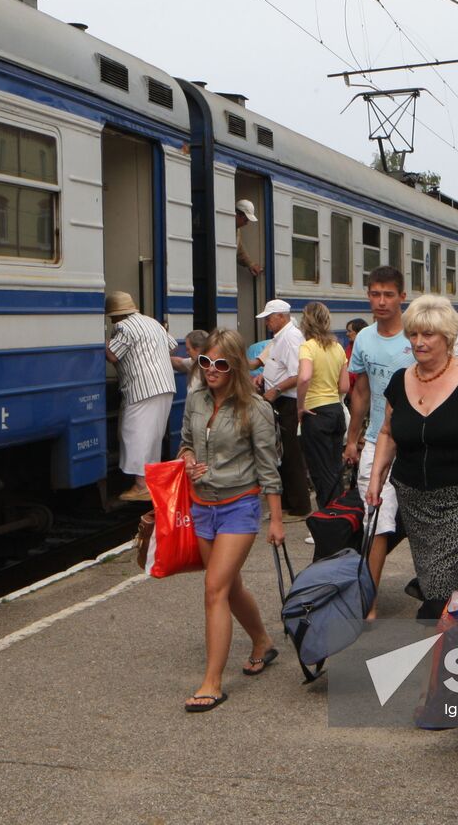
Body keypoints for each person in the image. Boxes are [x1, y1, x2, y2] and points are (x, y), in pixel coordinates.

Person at [365, 295, 458, 620]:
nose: (419, 342)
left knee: (438, 594)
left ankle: (440, 646)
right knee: (446, 586)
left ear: (447, 336)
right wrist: (376, 477)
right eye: (414, 334)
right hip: (414, 501)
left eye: (428, 335)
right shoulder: (399, 380)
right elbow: (388, 433)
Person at [178, 329, 285, 712]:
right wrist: (189, 459)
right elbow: (186, 441)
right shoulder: (195, 401)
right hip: (201, 504)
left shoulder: (254, 409)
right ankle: (262, 642)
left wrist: (275, 519)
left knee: (214, 590)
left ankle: (212, 682)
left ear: (236, 365)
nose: (211, 369)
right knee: (230, 586)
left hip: (239, 505)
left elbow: (268, 467)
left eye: (220, 363)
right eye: (205, 361)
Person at [344, 266, 415, 606]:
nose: (381, 301)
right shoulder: (364, 339)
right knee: (376, 519)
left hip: (415, 443)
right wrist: (351, 438)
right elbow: (361, 390)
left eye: (389, 294)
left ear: (403, 296)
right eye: (375, 294)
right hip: (375, 440)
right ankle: (368, 601)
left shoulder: (416, 338)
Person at [104, 291, 178, 502]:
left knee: (134, 434)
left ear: (117, 315)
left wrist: (103, 340)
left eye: (111, 317)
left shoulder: (123, 327)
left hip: (142, 387)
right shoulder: (152, 322)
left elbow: (112, 355)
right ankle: (149, 482)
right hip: (164, 384)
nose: (112, 320)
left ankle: (141, 485)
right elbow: (171, 346)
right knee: (152, 436)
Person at [257, 299, 312, 518]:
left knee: (290, 455)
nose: (267, 323)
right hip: (281, 400)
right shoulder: (282, 337)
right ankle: (289, 502)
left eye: (269, 318)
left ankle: (300, 506)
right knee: (283, 454)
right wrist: (265, 377)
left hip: (287, 401)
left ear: (281, 316)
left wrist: (276, 389)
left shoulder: (289, 338)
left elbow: (297, 374)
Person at [296, 302, 349, 510]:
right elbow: (344, 385)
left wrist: (300, 406)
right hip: (336, 411)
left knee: (320, 472)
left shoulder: (308, 347)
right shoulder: (337, 348)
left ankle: (327, 519)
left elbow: (304, 377)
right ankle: (340, 516)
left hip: (315, 412)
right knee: (335, 470)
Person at [171, 328, 211, 393]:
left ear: (198, 349)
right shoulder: (194, 362)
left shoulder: (212, 370)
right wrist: (164, 358)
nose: (187, 352)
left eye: (188, 349)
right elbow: (179, 363)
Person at [235, 199, 263, 277]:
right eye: (245, 220)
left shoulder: (237, 231)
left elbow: (239, 251)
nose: (246, 223)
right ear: (238, 214)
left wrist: (250, 264)